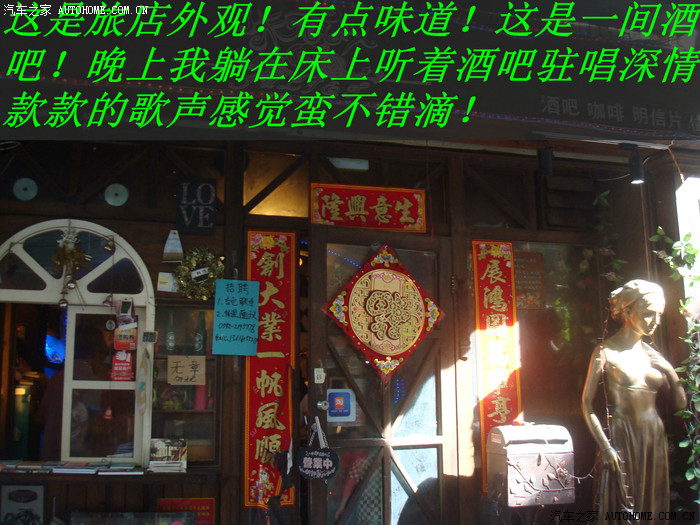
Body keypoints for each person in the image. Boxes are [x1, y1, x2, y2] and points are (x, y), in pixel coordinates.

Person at [581, 280, 686, 524]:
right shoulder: (605, 351)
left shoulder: (654, 356)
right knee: (623, 502)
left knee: (654, 502)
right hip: (622, 434)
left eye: (659, 314)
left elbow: (680, 407)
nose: (655, 321)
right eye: (648, 313)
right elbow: (586, 404)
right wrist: (605, 447)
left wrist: (670, 372)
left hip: (653, 435)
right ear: (627, 311)